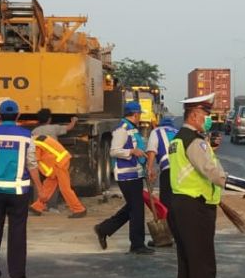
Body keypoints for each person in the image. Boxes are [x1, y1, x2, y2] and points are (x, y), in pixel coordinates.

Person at [168, 93, 245, 278]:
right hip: (195, 207)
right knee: (203, 262)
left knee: (187, 261)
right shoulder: (194, 141)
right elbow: (212, 173)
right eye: (206, 114)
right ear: (194, 114)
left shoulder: (178, 139)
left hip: (180, 205)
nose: (208, 119)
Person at [0, 98, 43, 278]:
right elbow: (32, 164)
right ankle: (17, 274)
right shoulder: (26, 136)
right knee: (17, 232)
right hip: (18, 192)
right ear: (18, 115)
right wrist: (40, 189)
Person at [93, 101, 154, 254]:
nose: (140, 117)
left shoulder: (132, 129)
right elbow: (114, 151)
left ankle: (104, 228)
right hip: (126, 176)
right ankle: (137, 244)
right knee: (136, 209)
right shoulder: (122, 129)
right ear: (135, 114)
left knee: (132, 208)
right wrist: (132, 152)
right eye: (139, 114)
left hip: (135, 174)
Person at [29, 108, 87, 218]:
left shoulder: (34, 136)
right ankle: (37, 207)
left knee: (64, 188)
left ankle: (79, 209)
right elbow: (69, 127)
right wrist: (73, 121)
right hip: (56, 160)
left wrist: (39, 183)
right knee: (49, 184)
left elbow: (35, 164)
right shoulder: (52, 129)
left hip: (58, 162)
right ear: (49, 119)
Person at [145, 115, 178, 232]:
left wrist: (149, 168)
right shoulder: (177, 132)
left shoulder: (156, 131)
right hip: (182, 172)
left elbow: (152, 150)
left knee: (166, 201)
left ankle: (167, 231)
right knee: (178, 201)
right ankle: (178, 231)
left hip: (168, 170)